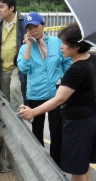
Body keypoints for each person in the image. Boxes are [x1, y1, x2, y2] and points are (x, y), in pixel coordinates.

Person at [18, 23, 96, 181]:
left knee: (77, 169)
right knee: (84, 163)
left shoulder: (75, 70)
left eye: (65, 43)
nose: (61, 46)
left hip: (77, 124)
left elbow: (59, 99)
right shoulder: (92, 59)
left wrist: (32, 112)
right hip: (90, 119)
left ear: (77, 46)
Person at [17, 12, 72, 167]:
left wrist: (65, 82)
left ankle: (56, 162)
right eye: (29, 28)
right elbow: (23, 68)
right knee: (37, 130)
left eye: (36, 26)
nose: (33, 30)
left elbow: (67, 62)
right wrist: (28, 47)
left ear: (43, 25)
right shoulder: (24, 48)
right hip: (36, 93)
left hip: (56, 94)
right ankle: (39, 162)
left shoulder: (56, 42)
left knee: (57, 129)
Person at [0, 0, 26, 111]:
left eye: (2, 7)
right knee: (3, 99)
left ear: (11, 8)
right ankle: (6, 126)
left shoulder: (23, 23)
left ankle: (18, 124)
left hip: (18, 65)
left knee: (15, 89)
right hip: (2, 66)